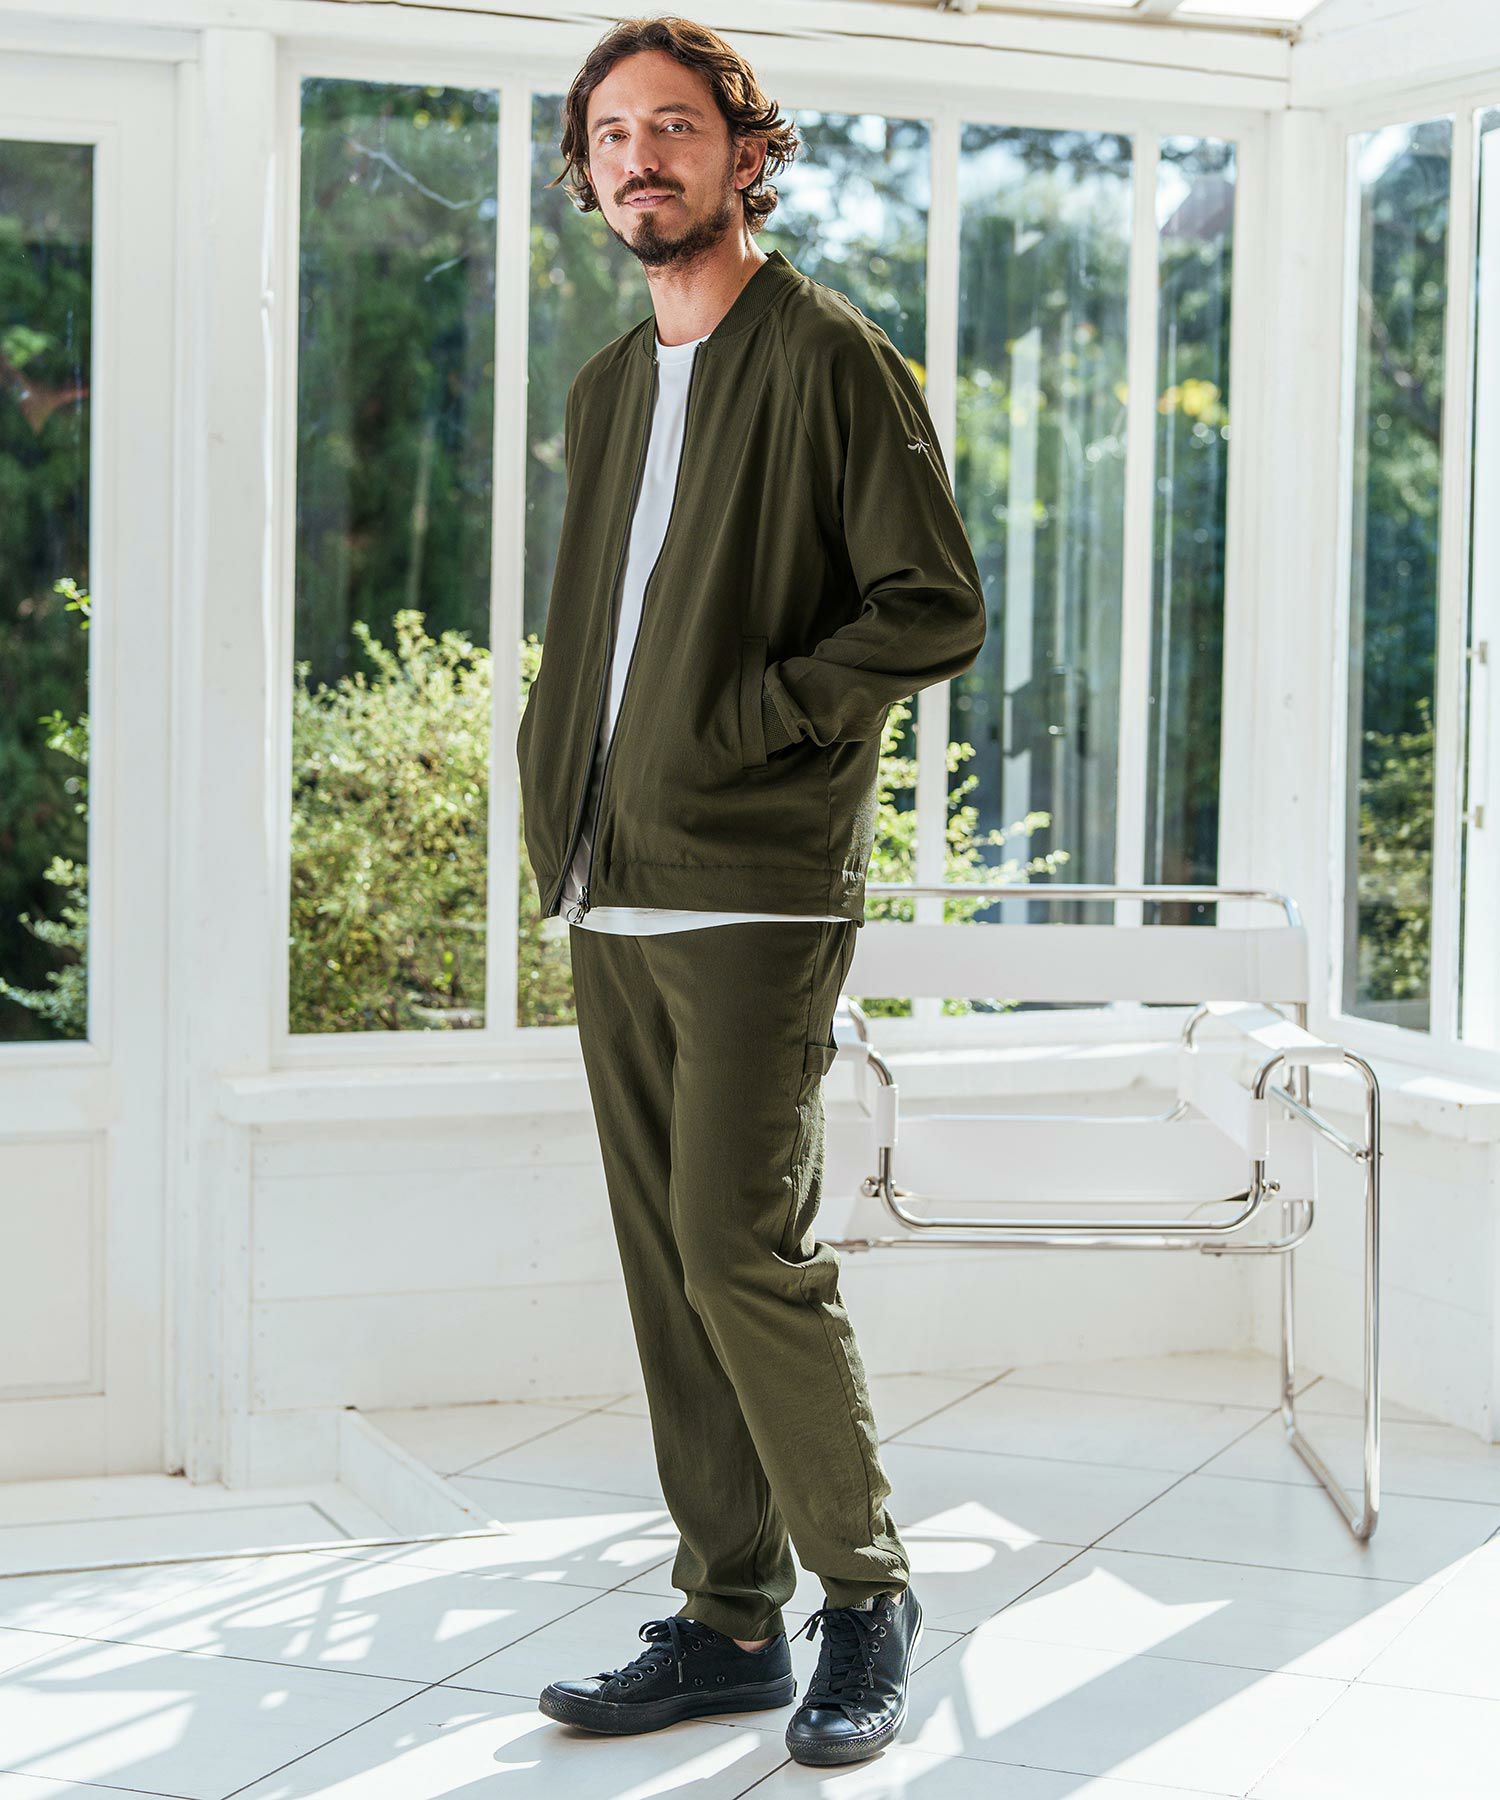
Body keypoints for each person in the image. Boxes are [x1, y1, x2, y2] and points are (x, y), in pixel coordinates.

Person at [517, 13, 987, 1768]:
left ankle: (866, 1595)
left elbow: (931, 602)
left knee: (739, 1248)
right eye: (611, 134)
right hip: (610, 881)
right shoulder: (605, 386)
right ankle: (728, 1620)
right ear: (587, 174)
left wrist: (761, 718)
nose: (640, 158)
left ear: (744, 153)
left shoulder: (829, 356)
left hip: (755, 889)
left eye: (674, 127)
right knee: (668, 1269)